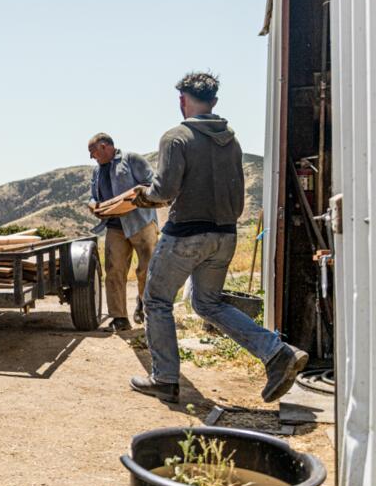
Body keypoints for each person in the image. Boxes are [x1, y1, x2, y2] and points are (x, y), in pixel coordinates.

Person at [127, 72, 307, 403]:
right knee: (207, 303)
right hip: (225, 235)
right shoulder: (232, 142)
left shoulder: (176, 138)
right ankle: (276, 352)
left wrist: (143, 195)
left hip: (185, 235)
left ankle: (164, 378)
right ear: (214, 102)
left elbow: (164, 191)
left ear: (182, 100)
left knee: (157, 301)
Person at [86, 133, 158, 332]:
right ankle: (119, 318)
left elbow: (150, 184)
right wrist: (93, 205)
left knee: (147, 270)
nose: (91, 157)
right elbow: (93, 196)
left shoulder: (132, 159)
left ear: (104, 146)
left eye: (92, 152)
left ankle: (146, 308)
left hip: (141, 223)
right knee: (114, 271)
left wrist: (128, 200)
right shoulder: (97, 171)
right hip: (114, 227)